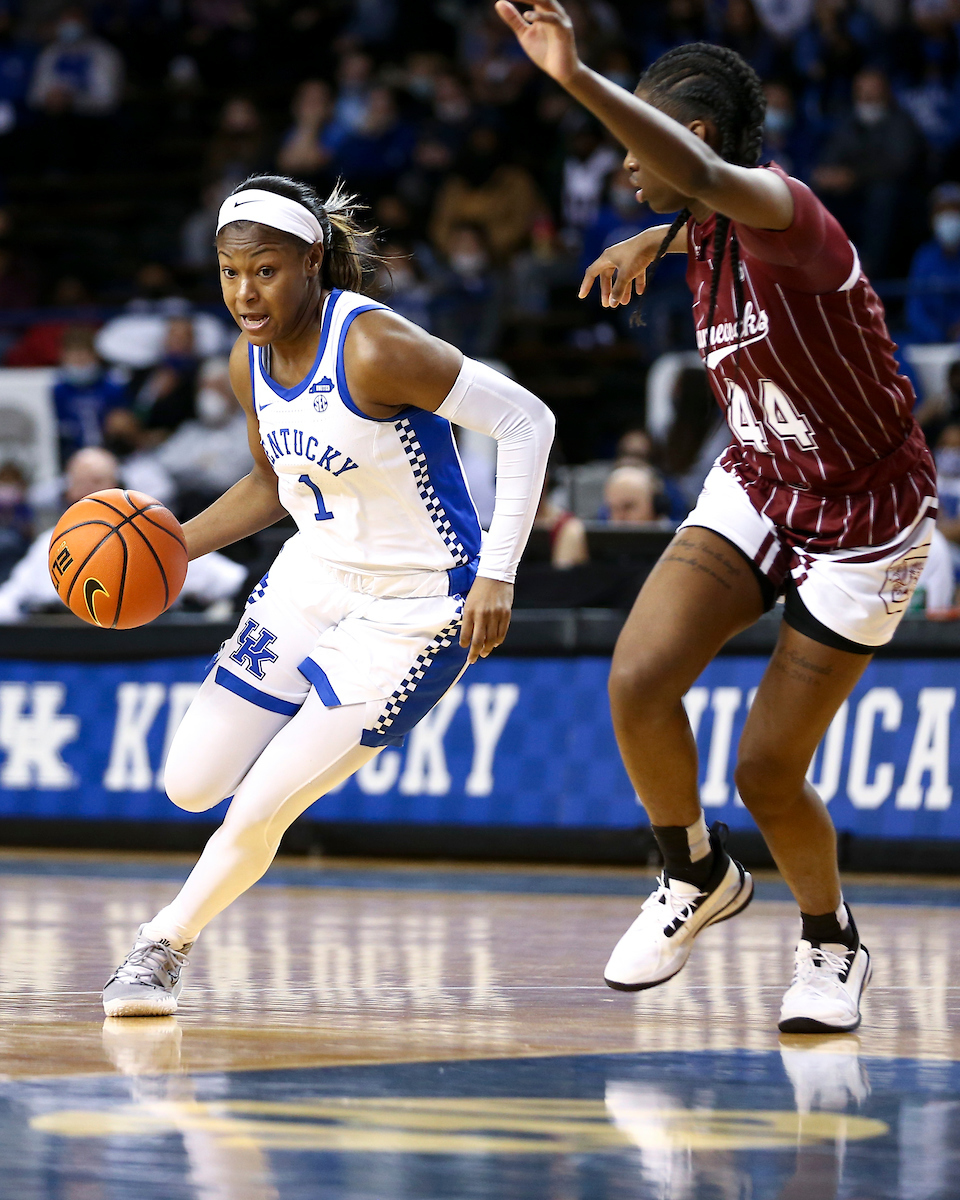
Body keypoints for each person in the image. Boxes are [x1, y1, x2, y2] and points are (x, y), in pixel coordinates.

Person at [500, 1, 937, 1034]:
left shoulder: (792, 217)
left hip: (865, 519)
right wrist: (655, 237)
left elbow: (709, 183)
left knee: (765, 770)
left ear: (691, 138)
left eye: (638, 142)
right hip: (759, 478)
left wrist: (575, 77)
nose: (622, 164)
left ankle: (831, 942)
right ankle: (694, 870)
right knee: (638, 679)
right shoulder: (698, 225)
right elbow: (696, 200)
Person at [102, 174, 553, 1016]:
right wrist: (168, 549)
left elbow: (528, 421)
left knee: (262, 804)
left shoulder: (375, 346)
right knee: (191, 784)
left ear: (312, 261)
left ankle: (162, 945)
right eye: (231, 272)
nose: (245, 293)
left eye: (265, 271)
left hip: (418, 604)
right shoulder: (248, 359)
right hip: (312, 574)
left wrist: (499, 570)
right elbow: (272, 483)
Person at [0, 448, 244, 622]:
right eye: (79, 482)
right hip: (66, 653)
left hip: (147, 653)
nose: (88, 491)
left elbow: (234, 581)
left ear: (118, 486)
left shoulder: (158, 537)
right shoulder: (48, 542)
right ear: (67, 492)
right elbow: (8, 601)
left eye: (96, 481)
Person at [906, 182, 960, 345]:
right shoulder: (924, 256)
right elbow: (915, 309)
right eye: (941, 211)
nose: (948, 217)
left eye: (954, 210)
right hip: (931, 345)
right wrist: (937, 336)